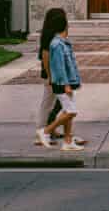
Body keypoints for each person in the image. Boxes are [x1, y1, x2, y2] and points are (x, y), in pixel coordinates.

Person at [44, 11, 84, 151]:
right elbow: (59, 67)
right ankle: (46, 131)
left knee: (68, 112)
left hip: (68, 82)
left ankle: (67, 141)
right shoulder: (57, 44)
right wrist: (66, 84)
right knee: (71, 112)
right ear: (64, 25)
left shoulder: (63, 43)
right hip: (61, 84)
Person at [34, 8, 63, 147]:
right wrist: (50, 76)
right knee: (47, 104)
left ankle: (51, 129)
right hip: (51, 76)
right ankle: (41, 133)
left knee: (58, 103)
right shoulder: (48, 36)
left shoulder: (55, 34)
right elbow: (45, 57)